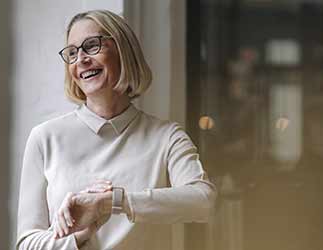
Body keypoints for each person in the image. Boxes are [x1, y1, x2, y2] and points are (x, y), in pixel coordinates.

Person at [16, 9, 216, 250]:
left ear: (123, 51)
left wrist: (112, 202)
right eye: (72, 52)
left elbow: (203, 200)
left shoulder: (167, 137)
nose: (81, 59)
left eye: (92, 45)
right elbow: (26, 243)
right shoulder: (44, 138)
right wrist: (77, 237)